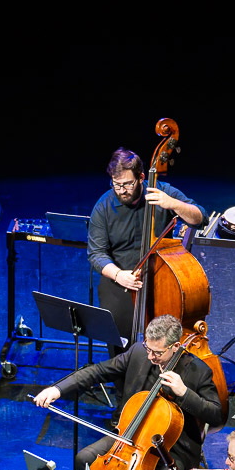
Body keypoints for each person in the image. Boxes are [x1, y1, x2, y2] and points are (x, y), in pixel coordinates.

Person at [33, 313, 226, 470]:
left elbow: (216, 414)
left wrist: (184, 393)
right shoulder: (138, 352)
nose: (150, 357)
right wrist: (57, 389)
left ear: (176, 347)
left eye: (157, 353)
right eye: (148, 348)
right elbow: (98, 371)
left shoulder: (199, 371)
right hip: (130, 436)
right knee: (84, 459)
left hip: (173, 446)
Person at [86, 147, 206, 345]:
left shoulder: (162, 191)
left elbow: (200, 217)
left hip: (161, 275)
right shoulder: (103, 206)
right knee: (120, 342)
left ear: (141, 177)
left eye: (127, 184)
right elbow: (96, 254)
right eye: (116, 185)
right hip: (121, 278)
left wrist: (173, 204)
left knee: (165, 339)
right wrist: (119, 275)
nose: (122, 191)